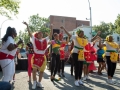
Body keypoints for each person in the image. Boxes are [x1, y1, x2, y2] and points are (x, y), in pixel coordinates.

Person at [23, 21, 52, 89]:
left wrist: (51, 27)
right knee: (34, 71)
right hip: (36, 57)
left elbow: (50, 35)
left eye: (41, 34)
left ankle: (39, 82)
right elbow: (30, 34)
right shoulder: (34, 39)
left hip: (43, 58)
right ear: (37, 35)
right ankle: (34, 82)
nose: (40, 34)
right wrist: (27, 26)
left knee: (42, 71)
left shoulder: (45, 40)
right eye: (39, 33)